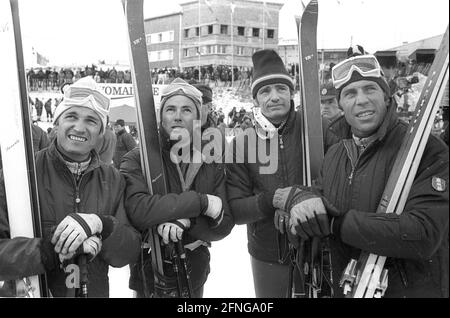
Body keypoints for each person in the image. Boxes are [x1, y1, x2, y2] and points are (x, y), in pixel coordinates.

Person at [277, 46, 449, 298]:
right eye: (350, 94)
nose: (361, 100)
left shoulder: (426, 150)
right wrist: (298, 202)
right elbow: (322, 198)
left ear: (387, 97)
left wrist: (337, 223)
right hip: (348, 287)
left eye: (370, 89)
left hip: (408, 290)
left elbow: (423, 233)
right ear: (342, 106)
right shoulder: (336, 153)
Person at [0, 77, 141, 297]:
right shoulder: (20, 175)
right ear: (57, 122)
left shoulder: (113, 179)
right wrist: (50, 252)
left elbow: (129, 251)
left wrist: (102, 225)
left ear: (101, 132)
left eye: (91, 121)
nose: (80, 127)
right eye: (71, 116)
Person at [120, 78, 233, 298]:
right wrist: (201, 203)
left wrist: (187, 222)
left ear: (199, 118)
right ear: (161, 116)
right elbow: (139, 210)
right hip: (150, 267)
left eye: (187, 110)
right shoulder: (137, 158)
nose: (178, 116)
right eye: (170, 109)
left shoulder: (211, 160)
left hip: (194, 268)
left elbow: (225, 222)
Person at [226, 49, 307, 297]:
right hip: (266, 252)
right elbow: (237, 209)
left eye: (281, 89)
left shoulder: (315, 130)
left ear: (291, 93)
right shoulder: (242, 144)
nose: (274, 97)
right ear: (256, 100)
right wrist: (271, 199)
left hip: (316, 244)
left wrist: (303, 198)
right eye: (265, 91)